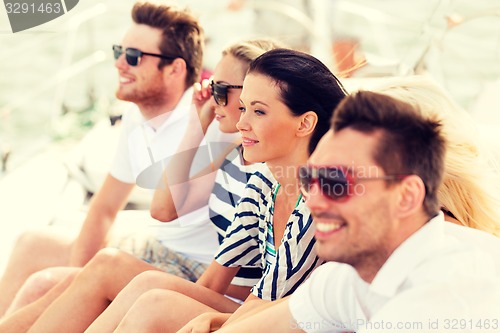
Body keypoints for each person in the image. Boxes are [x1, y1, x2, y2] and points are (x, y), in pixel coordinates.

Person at [25, 48, 348, 332]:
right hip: (261, 309)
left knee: (156, 303)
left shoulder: (318, 202)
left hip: (295, 324)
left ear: (304, 123)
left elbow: (278, 305)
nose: (241, 123)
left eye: (259, 111)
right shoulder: (265, 181)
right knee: (148, 284)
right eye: (244, 107)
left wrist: (213, 319)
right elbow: (211, 283)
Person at [213, 91, 500, 333]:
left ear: (406, 196)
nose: (313, 201)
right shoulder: (352, 272)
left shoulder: (447, 297)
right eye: (309, 180)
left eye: (335, 183)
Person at [0, 0, 211, 318]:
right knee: (32, 243)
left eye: (133, 57)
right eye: (119, 51)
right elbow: (104, 208)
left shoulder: (205, 123)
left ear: (175, 68)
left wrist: (68, 286)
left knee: (43, 284)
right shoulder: (135, 118)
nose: (119, 65)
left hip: (194, 271)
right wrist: (75, 280)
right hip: (156, 250)